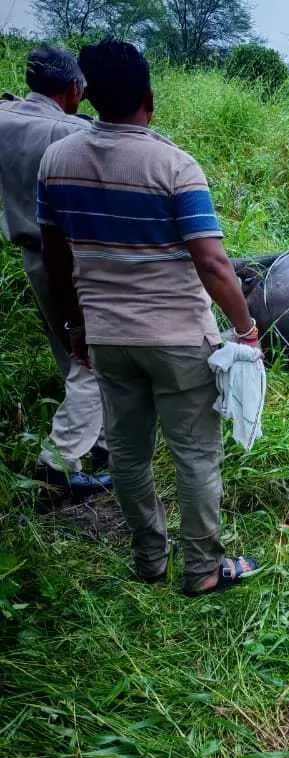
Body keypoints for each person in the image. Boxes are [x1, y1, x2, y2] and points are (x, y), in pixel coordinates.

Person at [36, 39, 261, 596]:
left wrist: (76, 327)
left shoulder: (57, 161)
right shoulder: (174, 166)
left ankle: (149, 560)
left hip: (108, 337)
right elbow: (212, 262)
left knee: (130, 454)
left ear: (86, 94)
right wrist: (245, 328)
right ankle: (204, 568)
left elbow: (57, 258)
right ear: (149, 98)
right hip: (180, 338)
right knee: (196, 455)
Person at [0, 46, 110, 498]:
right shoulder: (71, 132)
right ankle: (61, 460)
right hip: (74, 259)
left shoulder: (5, 118)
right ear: (73, 89)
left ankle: (101, 441)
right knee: (94, 358)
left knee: (69, 352)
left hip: (33, 257)